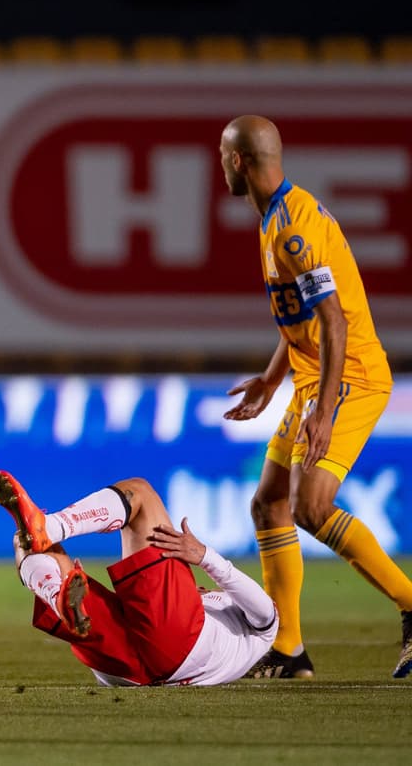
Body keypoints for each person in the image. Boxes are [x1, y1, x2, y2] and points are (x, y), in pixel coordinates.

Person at [219, 115, 410, 679]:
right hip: (312, 376)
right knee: (268, 503)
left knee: (311, 505)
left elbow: (333, 323)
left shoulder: (292, 229)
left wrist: (323, 411)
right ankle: (290, 649)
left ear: (238, 162)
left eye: (221, 157)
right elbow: (301, 320)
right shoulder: (276, 216)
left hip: (350, 375)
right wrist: (272, 380)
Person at [0, 470, 278, 686]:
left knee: (140, 494)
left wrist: (204, 556)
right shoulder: (232, 655)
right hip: (128, 673)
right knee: (27, 541)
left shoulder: (263, 633)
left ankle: (51, 527)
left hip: (174, 645)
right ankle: (58, 597)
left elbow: (266, 612)